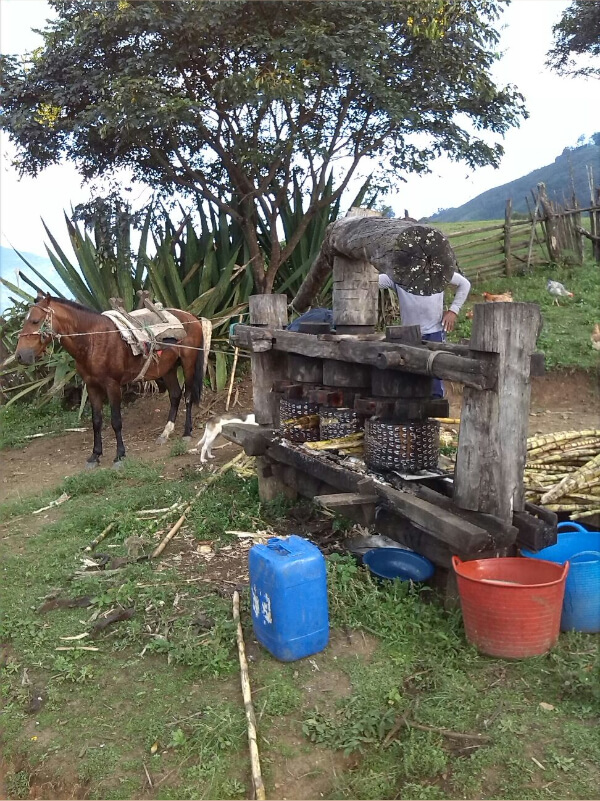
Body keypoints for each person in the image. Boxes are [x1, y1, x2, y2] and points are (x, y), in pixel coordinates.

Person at [378, 271, 471, 398]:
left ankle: (435, 410)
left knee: (435, 376)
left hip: (434, 333)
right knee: (408, 379)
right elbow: (374, 281)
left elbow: (464, 284)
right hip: (409, 334)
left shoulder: (437, 271)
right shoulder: (398, 274)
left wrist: (453, 311)